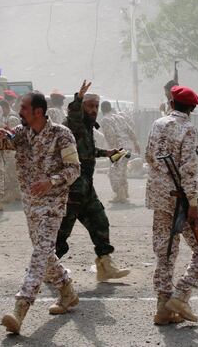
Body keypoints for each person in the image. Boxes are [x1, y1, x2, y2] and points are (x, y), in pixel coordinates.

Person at [0, 91, 82, 335]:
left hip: (53, 204)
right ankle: (68, 292)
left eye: (24, 108)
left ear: (38, 112)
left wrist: (51, 181)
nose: (20, 112)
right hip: (31, 205)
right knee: (46, 253)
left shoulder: (62, 134)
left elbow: (74, 169)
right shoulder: (21, 134)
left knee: (40, 253)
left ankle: (20, 309)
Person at [145, 85, 198, 324]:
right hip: (181, 199)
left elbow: (149, 157)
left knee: (165, 252)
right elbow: (188, 169)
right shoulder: (188, 129)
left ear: (171, 104)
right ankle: (181, 295)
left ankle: (163, 308)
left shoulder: (157, 124)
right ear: (192, 108)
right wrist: (192, 202)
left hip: (159, 197)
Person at [57, 80, 130, 281]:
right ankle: (47, 267)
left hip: (85, 186)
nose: (94, 110)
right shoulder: (75, 122)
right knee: (61, 231)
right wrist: (78, 98)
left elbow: (85, 152)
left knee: (100, 221)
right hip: (71, 188)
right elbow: (73, 114)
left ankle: (105, 265)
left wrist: (106, 153)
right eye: (90, 105)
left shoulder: (87, 127)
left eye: (96, 106)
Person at [100, 100, 141, 203]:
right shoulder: (120, 117)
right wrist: (136, 143)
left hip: (118, 149)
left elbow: (111, 135)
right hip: (128, 148)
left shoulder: (105, 119)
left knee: (114, 172)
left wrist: (112, 151)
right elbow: (130, 130)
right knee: (122, 171)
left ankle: (120, 195)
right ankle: (124, 193)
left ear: (101, 110)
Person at [0, 97, 22, 203]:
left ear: (5, 107)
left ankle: (12, 195)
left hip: (12, 150)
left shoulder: (12, 118)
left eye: (1, 109)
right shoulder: (6, 117)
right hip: (8, 149)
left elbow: (13, 136)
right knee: (11, 173)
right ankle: (17, 194)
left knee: (10, 172)